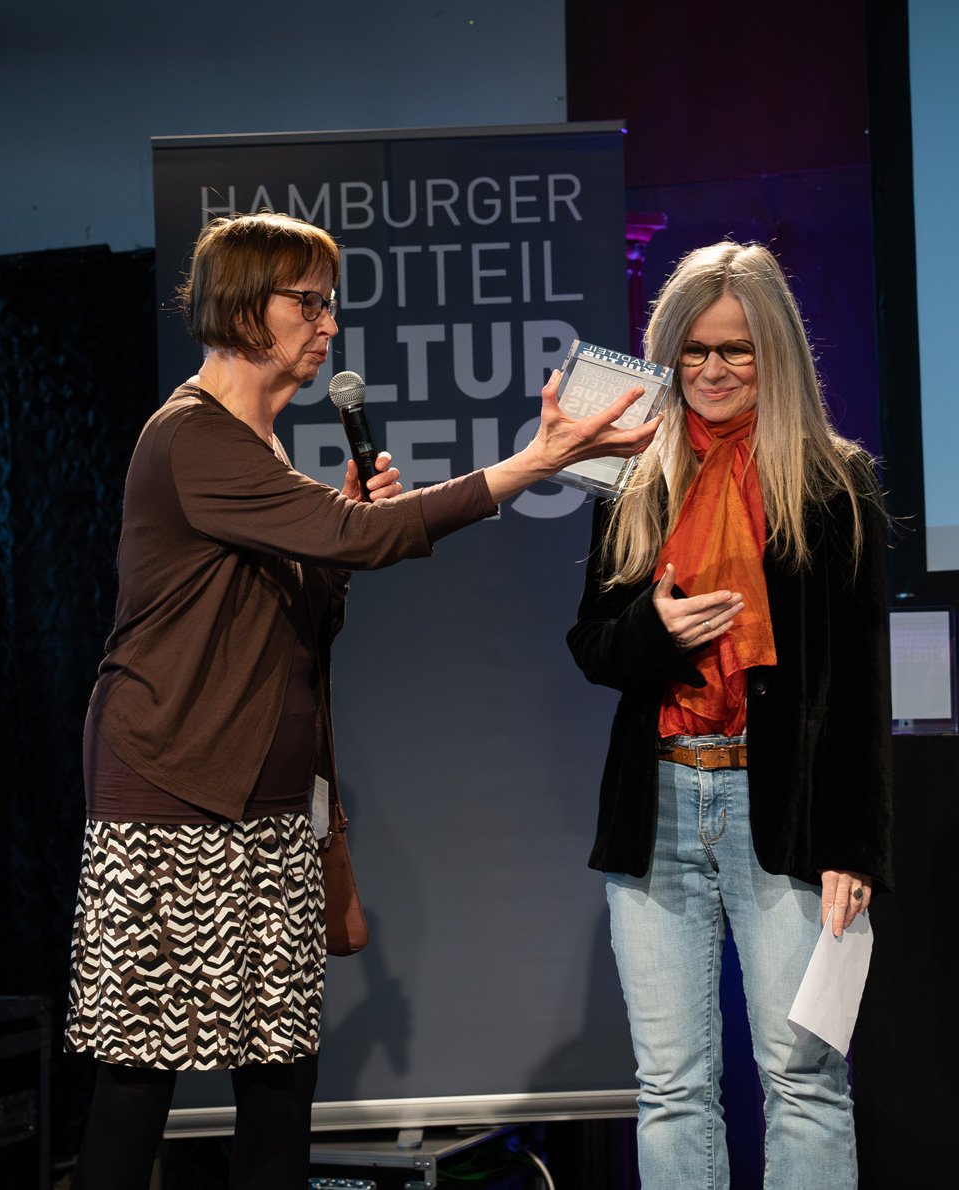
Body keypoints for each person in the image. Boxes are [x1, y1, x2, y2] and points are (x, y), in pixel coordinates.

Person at [65, 211, 658, 1190]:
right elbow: (365, 537)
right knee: (138, 1077)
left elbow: (305, 611)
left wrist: (334, 541)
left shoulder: (257, 456)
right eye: (311, 301)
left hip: (263, 808)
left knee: (278, 1078)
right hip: (171, 800)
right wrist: (533, 460)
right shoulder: (191, 440)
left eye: (329, 302)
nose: (329, 324)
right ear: (248, 309)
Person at [567, 242, 891, 1189]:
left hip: (783, 812)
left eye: (737, 351)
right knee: (670, 1085)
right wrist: (654, 633)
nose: (712, 370)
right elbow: (592, 645)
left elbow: (862, 683)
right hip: (659, 805)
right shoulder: (633, 478)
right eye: (694, 351)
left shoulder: (833, 483)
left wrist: (855, 844)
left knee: (803, 1077)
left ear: (775, 353)